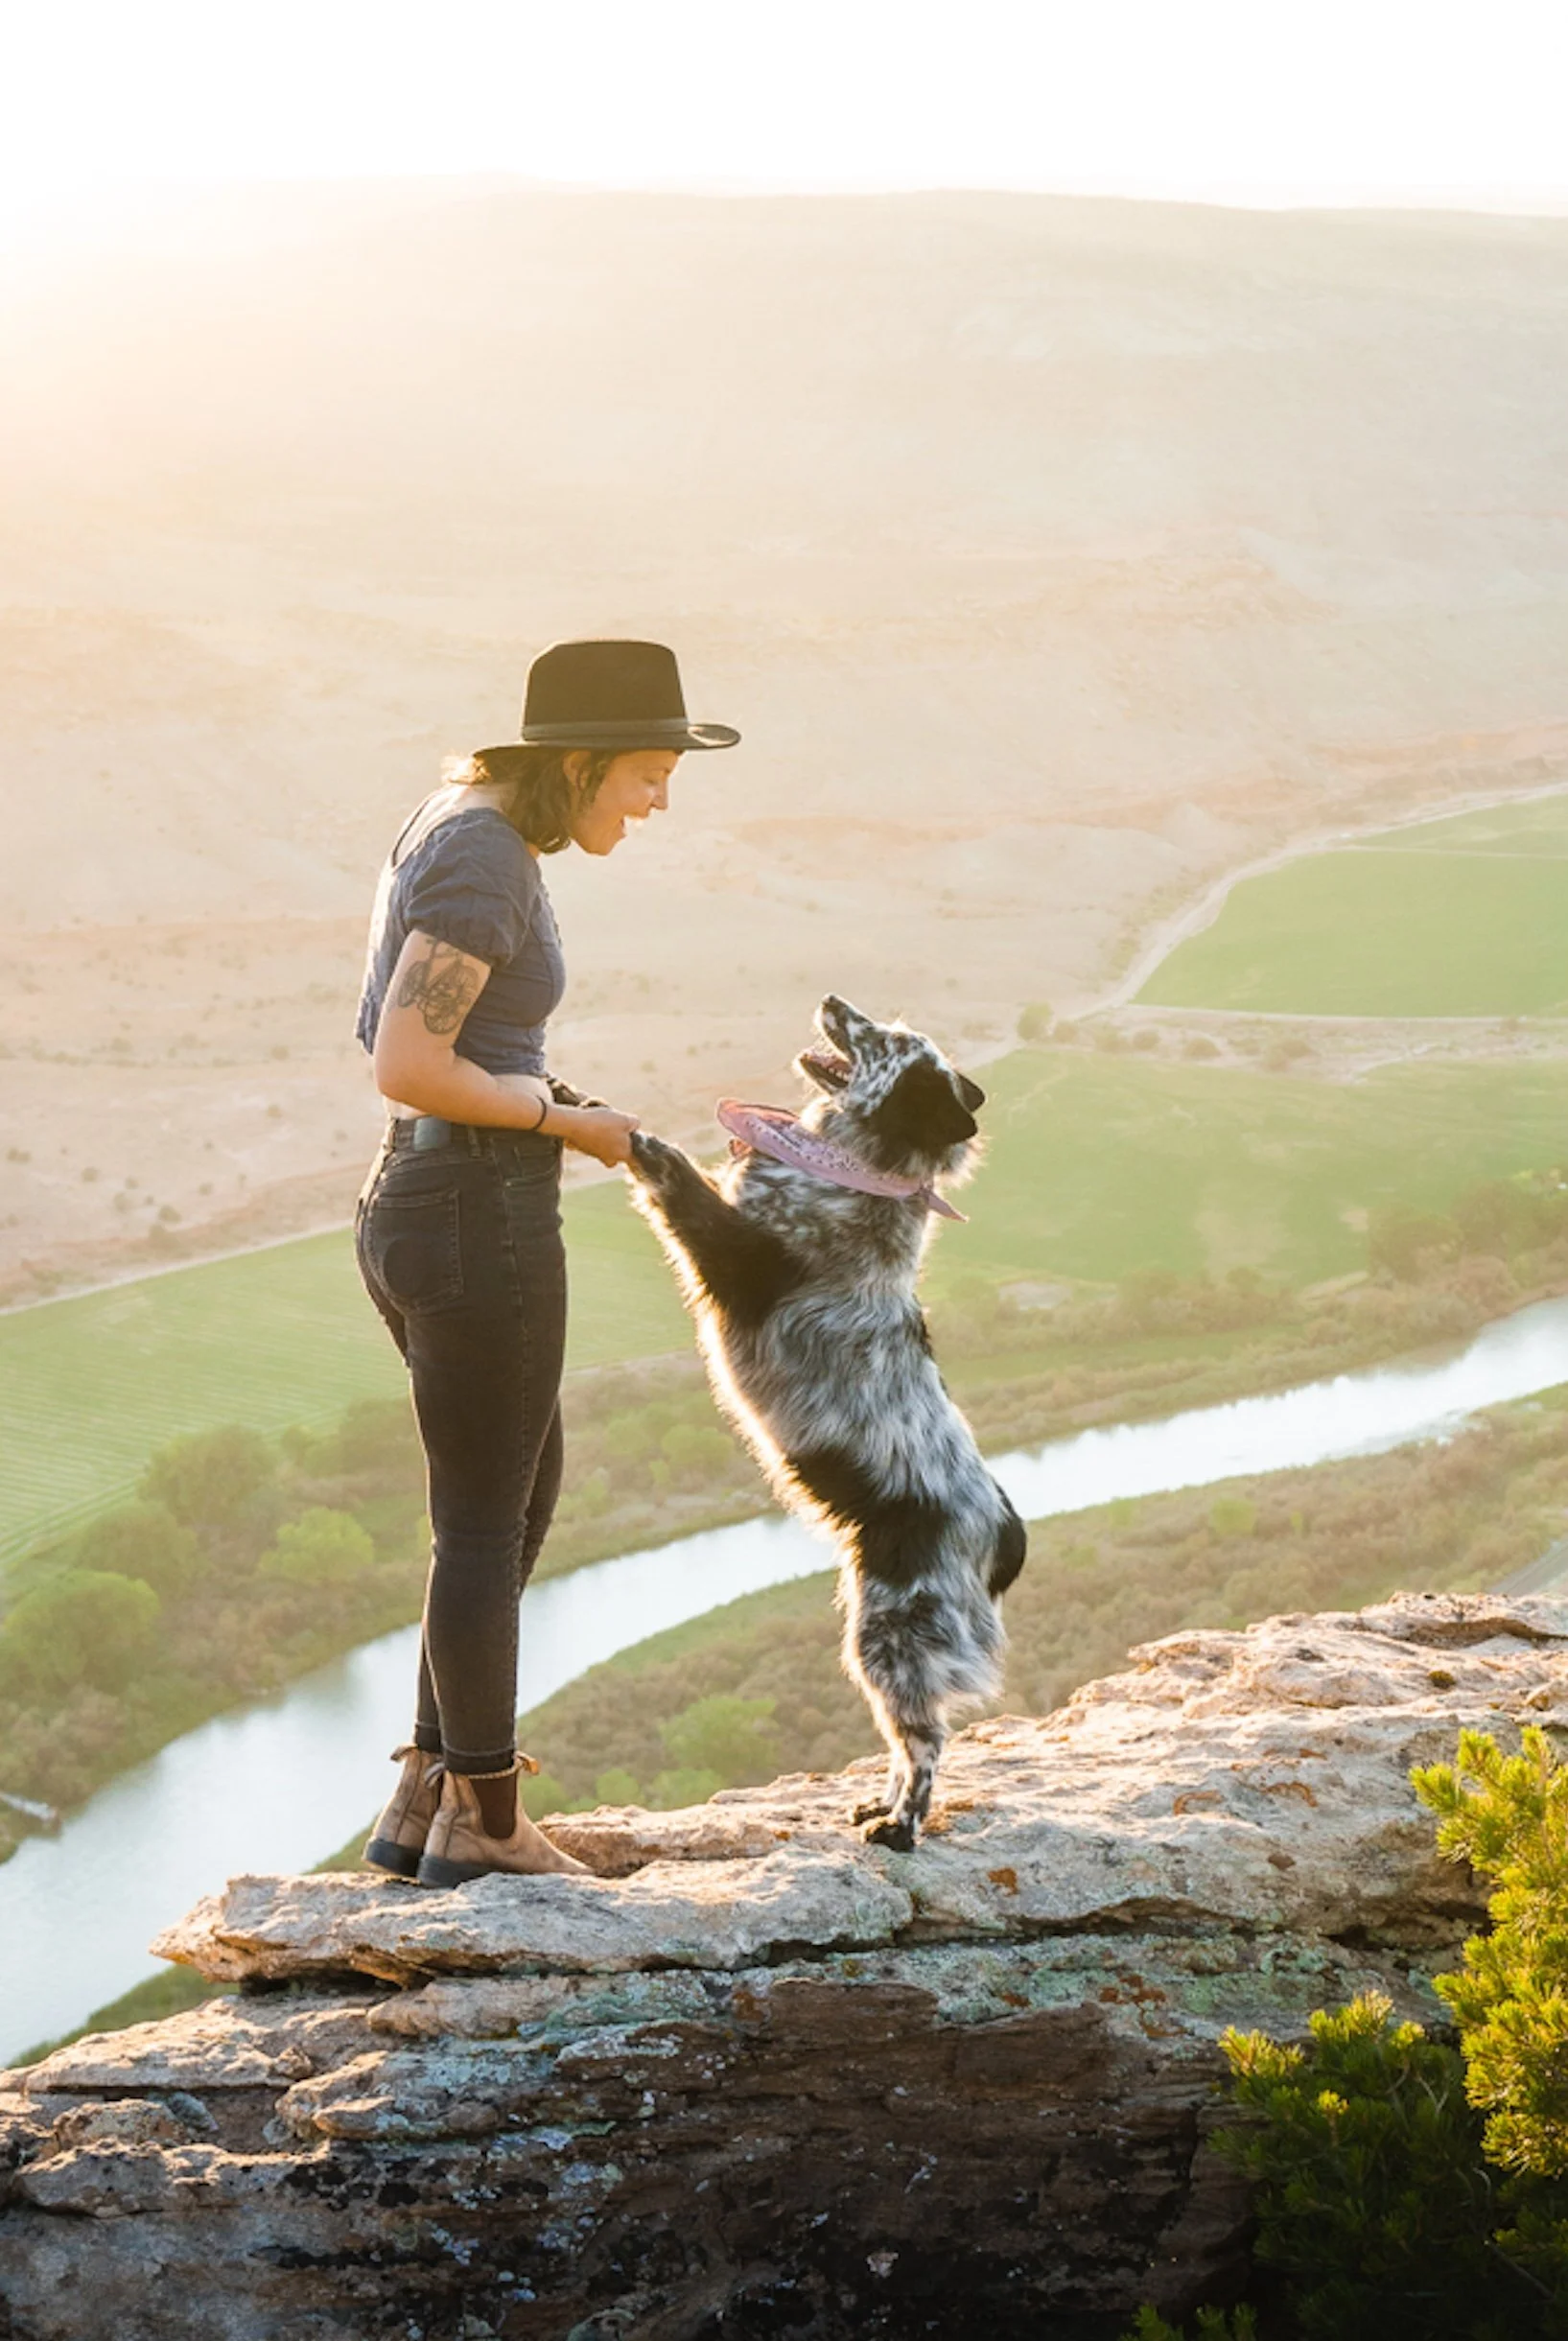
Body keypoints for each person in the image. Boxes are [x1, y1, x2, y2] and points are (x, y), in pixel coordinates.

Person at [353, 639, 739, 1886]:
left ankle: (428, 1789)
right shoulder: (484, 855)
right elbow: (409, 1060)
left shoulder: (453, 819)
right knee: (483, 1521)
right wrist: (564, 1124)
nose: (659, 800)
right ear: (574, 765)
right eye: (643, 775)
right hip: (477, 1211)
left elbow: (449, 1043)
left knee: (512, 1493)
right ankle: (491, 1824)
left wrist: (570, 1102)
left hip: (424, 1195)